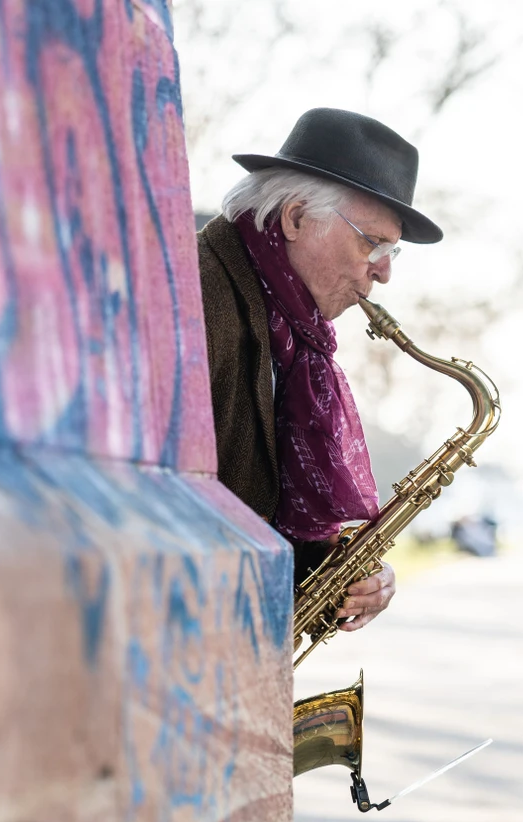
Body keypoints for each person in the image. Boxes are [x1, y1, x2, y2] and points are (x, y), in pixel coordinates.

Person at [197, 108, 444, 633]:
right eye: (371, 242)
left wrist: (339, 579)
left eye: (392, 251)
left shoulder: (291, 329)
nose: (385, 270)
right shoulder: (196, 291)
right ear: (295, 217)